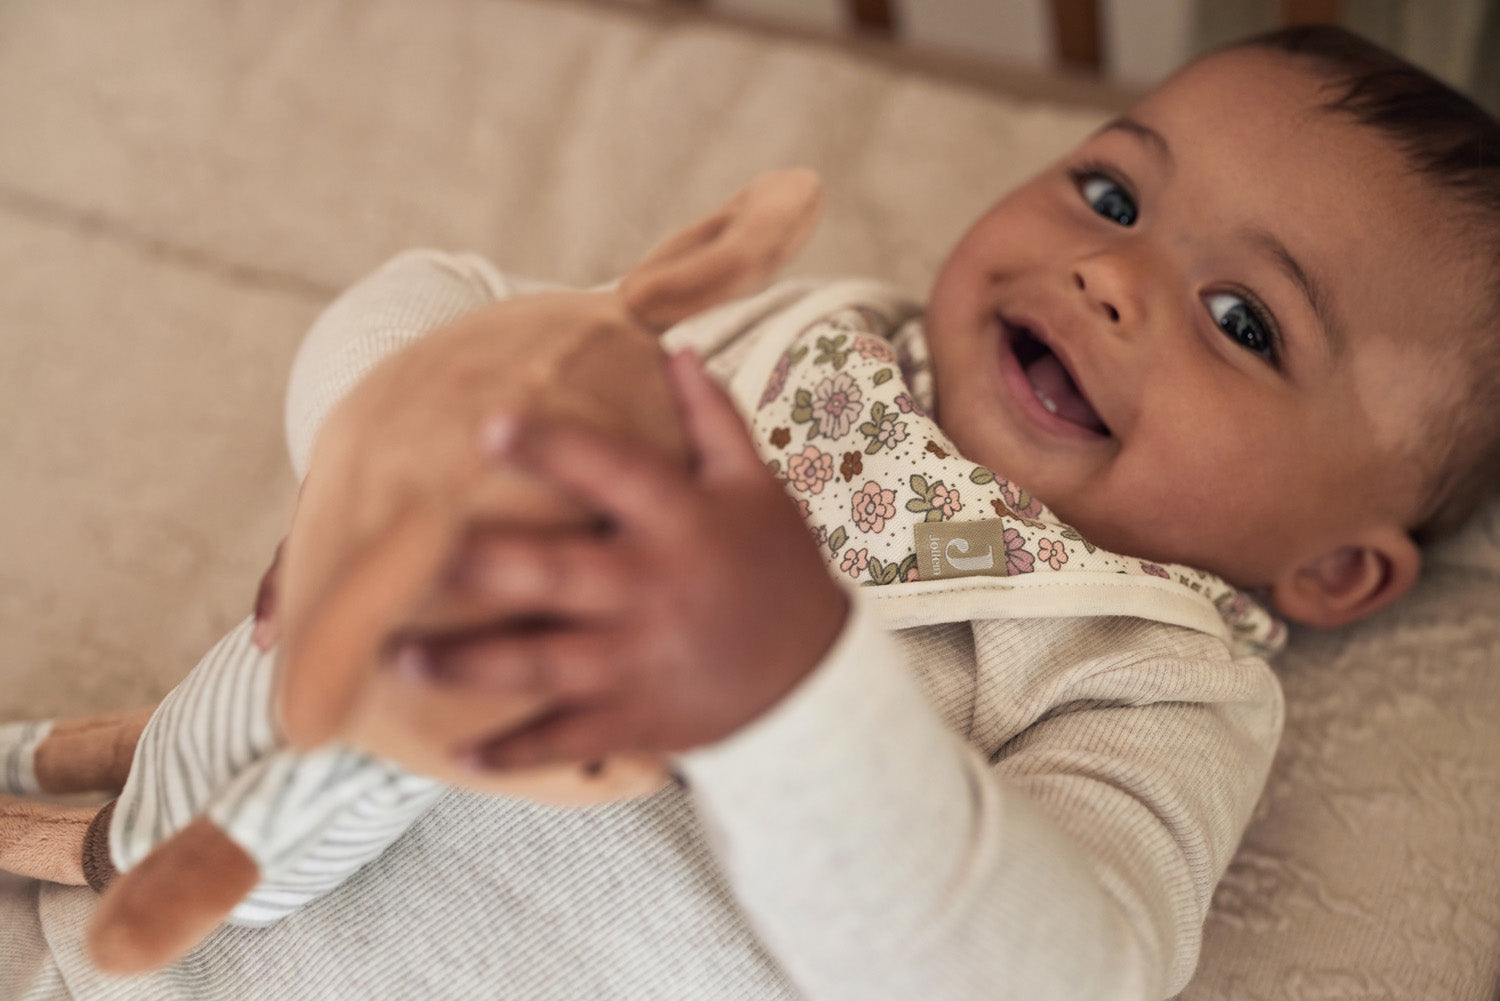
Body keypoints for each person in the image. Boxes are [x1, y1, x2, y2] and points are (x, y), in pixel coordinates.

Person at [3, 24, 1498, 1001]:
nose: (1113, 274)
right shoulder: (813, 335)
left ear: (1337, 568)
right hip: (134, 883)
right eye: (1111, 197)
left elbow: (1052, 969)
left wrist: (796, 698)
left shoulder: (1152, 677)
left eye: (1244, 321)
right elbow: (449, 305)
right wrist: (382, 454)